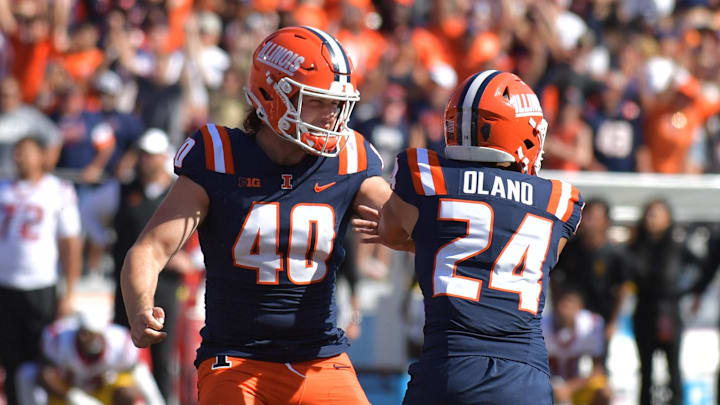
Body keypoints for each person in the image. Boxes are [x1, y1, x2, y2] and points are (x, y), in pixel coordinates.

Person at [121, 26, 395, 405]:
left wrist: (413, 227)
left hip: (320, 356)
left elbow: (408, 222)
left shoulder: (348, 158)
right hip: (237, 359)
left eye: (337, 104)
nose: (332, 115)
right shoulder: (219, 157)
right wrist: (139, 308)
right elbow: (150, 248)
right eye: (317, 101)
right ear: (274, 95)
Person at [377, 70, 584, 404]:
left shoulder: (424, 176)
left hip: (448, 369)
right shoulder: (558, 200)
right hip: (523, 378)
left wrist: (436, 241)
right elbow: (542, 260)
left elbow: (389, 232)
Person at [0, 136, 82, 405]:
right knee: (11, 362)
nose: (19, 158)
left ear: (41, 156)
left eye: (25, 152)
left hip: (40, 285)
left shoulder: (57, 189)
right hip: (5, 286)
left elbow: (71, 244)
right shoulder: (3, 189)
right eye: (17, 153)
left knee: (43, 363)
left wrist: (69, 291)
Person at [14, 310, 164, 405]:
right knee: (26, 373)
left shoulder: (120, 344)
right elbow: (44, 374)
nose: (86, 338)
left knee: (131, 386)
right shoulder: (59, 339)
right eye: (83, 332)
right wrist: (73, 396)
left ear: (103, 332)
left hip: (104, 391)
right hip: (69, 392)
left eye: (91, 333)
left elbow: (139, 374)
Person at [627, 199, 694, 405]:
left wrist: (683, 290)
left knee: (672, 365)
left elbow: (697, 268)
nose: (652, 219)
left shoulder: (678, 243)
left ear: (668, 218)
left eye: (656, 214)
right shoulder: (637, 244)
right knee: (645, 368)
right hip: (645, 309)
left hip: (668, 310)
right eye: (649, 214)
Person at [551, 199, 632, 354]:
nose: (588, 222)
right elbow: (554, 277)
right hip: (573, 318)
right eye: (586, 216)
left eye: (594, 217)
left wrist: (613, 322)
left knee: (599, 366)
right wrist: (557, 308)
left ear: (606, 222)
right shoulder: (569, 248)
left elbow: (623, 288)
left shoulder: (616, 254)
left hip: (601, 316)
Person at [542, 285, 610, 405]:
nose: (565, 310)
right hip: (547, 385)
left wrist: (570, 387)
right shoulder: (542, 325)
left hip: (577, 385)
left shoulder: (591, 326)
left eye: (570, 305)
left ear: (579, 308)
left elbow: (598, 369)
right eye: (562, 304)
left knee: (603, 391)